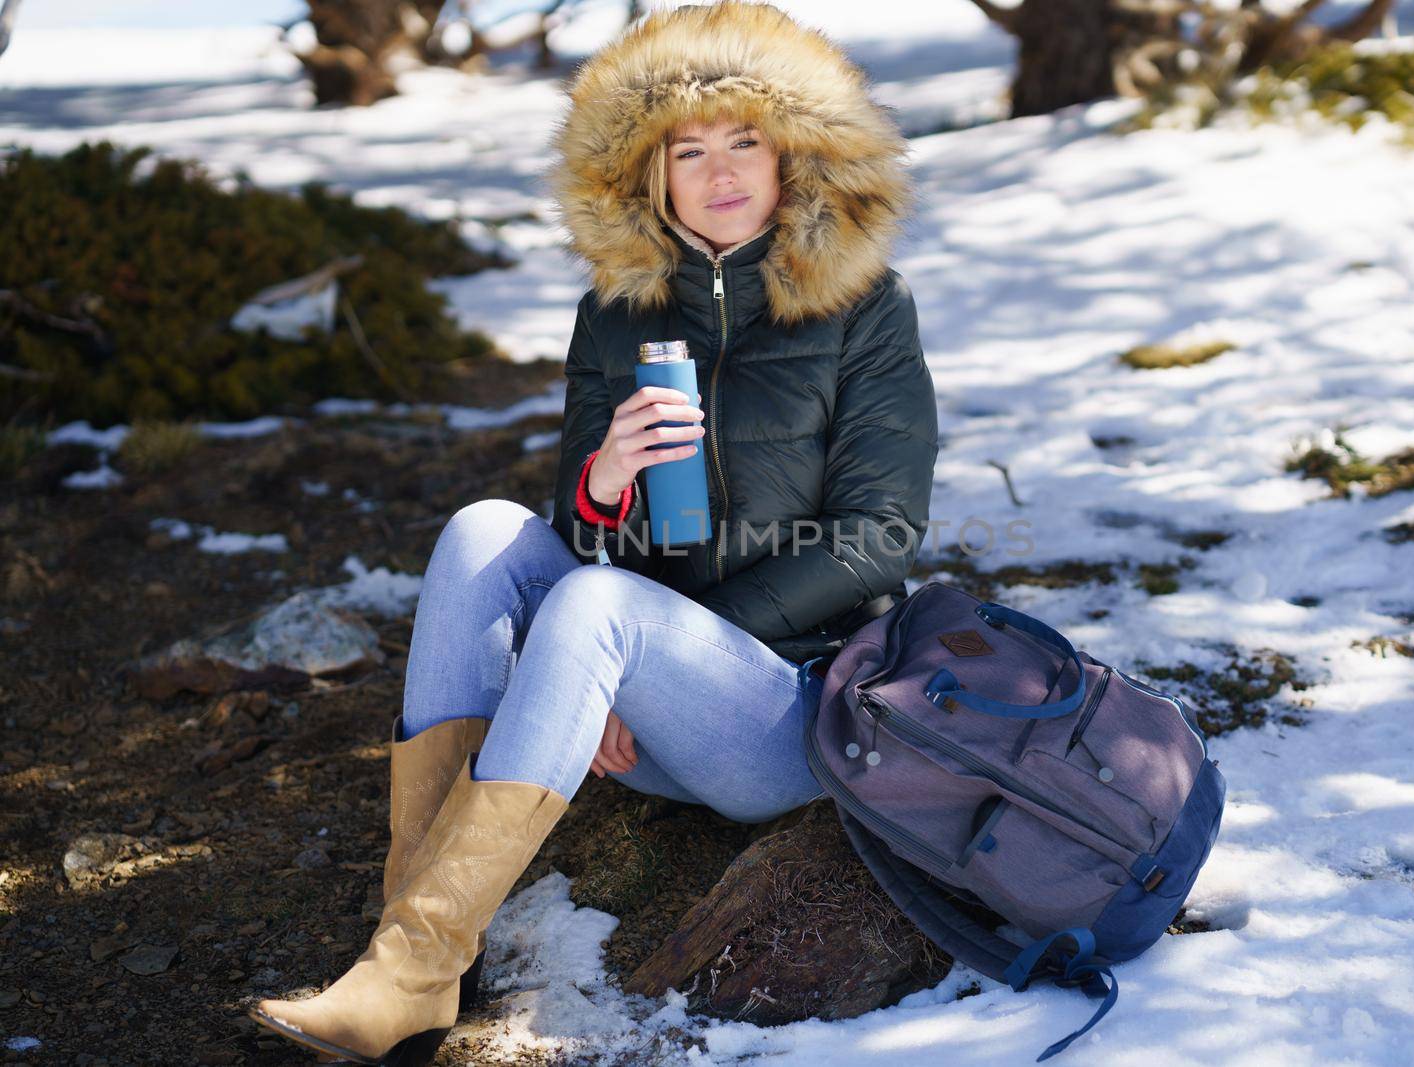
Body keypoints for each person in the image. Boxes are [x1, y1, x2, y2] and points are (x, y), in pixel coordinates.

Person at [249, 2, 937, 1061]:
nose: (717, 174)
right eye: (687, 150)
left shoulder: (864, 307)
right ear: (647, 174)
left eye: (743, 141)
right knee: (485, 528)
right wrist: (605, 479)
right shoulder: (617, 312)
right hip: (627, 692)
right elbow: (579, 534)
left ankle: (416, 961)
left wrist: (637, 645)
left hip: (781, 709)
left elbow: (881, 533)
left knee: (602, 604)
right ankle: (412, 947)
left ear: (793, 153)